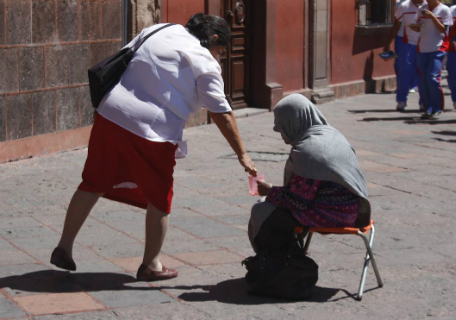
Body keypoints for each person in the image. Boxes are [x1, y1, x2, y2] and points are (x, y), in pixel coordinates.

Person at [50, 13, 257, 281]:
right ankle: (151, 264)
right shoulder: (204, 61)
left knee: (93, 180)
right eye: (220, 50)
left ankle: (63, 246)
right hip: (153, 130)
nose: (218, 57)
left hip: (110, 114)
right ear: (214, 39)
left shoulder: (161, 29)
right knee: (160, 196)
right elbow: (221, 112)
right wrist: (242, 153)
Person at [247, 94, 371, 254]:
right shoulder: (332, 134)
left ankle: (275, 264)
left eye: (282, 128)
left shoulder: (308, 149)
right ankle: (287, 259)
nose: (282, 135)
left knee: (262, 210)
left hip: (334, 214)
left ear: (294, 122)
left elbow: (297, 202)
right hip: (353, 210)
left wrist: (268, 190)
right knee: (271, 207)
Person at [412, 0, 453, 120]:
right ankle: (428, 109)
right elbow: (419, 27)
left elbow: (443, 29)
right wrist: (415, 28)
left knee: (433, 77)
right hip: (423, 47)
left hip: (438, 47)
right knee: (424, 79)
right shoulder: (422, 8)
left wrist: (432, 17)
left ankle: (438, 108)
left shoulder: (445, 10)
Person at [385, 0, 425, 111]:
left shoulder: (428, 6)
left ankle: (424, 101)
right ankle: (401, 100)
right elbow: (396, 25)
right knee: (403, 71)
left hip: (424, 43)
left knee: (423, 73)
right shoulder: (404, 6)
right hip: (404, 42)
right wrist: (388, 42)